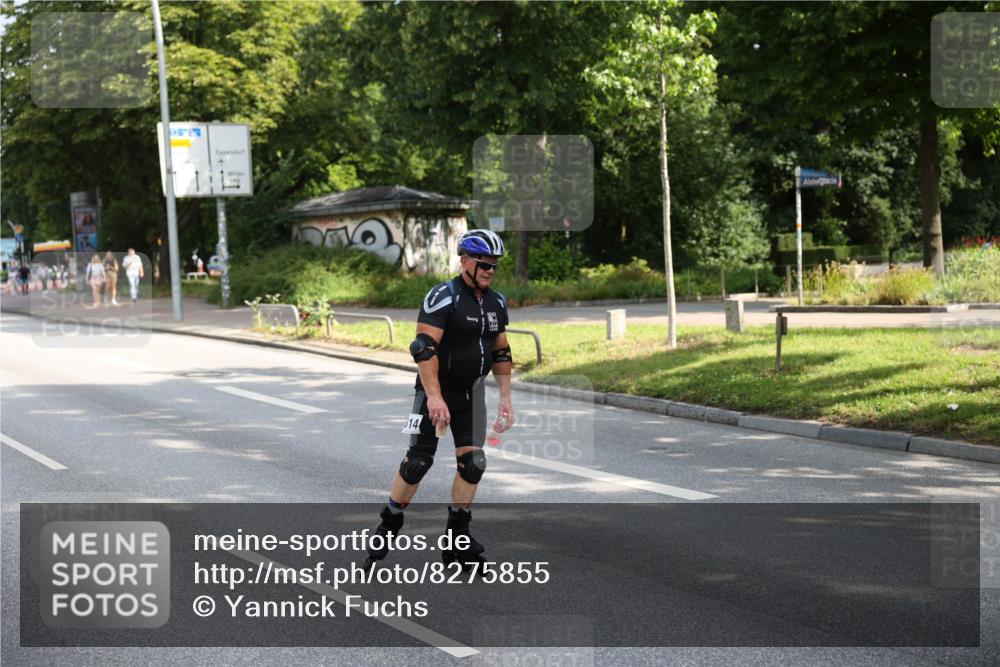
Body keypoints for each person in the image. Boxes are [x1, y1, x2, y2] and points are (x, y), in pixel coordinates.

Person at [365, 229, 515, 571]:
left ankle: (456, 543)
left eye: (495, 265)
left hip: (471, 396)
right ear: (464, 261)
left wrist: (506, 399)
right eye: (484, 264)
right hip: (435, 394)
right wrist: (434, 397)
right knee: (418, 461)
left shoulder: (497, 302)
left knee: (473, 465)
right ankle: (389, 521)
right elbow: (423, 348)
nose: (490, 270)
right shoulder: (443, 296)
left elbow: (501, 350)